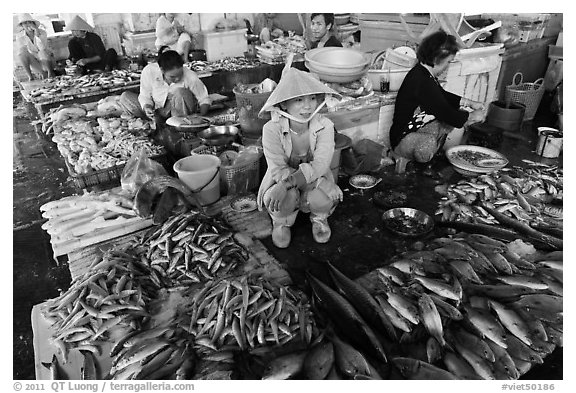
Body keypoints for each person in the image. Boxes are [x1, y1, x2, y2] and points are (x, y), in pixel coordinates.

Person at [257, 65, 343, 248]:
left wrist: (318, 182)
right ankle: (282, 222)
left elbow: (320, 165)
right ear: (283, 104)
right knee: (279, 198)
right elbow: (279, 170)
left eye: (312, 98)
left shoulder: (325, 125)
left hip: (313, 178)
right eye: (299, 100)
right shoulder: (271, 129)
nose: (308, 106)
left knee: (324, 198)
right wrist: (287, 185)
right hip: (281, 180)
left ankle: (319, 218)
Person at [389, 30, 484, 174]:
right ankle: (410, 160)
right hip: (402, 138)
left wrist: (469, 103)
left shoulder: (424, 73)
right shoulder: (421, 81)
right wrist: (471, 117)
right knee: (429, 144)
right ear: (436, 59)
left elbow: (442, 95)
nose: (448, 66)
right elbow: (446, 112)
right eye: (448, 62)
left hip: (415, 128)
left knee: (449, 122)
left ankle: (432, 152)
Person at [119, 47, 210, 122]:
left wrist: (201, 116)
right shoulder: (149, 71)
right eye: (172, 77)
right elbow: (144, 95)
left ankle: (179, 126)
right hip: (157, 110)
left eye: (180, 74)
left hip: (179, 111)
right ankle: (150, 123)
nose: (177, 79)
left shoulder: (190, 76)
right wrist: (147, 107)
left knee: (181, 92)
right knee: (125, 97)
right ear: (162, 70)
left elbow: (204, 99)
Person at [15, 13, 55, 80]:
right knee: (21, 54)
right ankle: (30, 76)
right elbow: (23, 51)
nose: (27, 24)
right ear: (22, 25)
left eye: (29, 22)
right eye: (25, 23)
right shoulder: (19, 36)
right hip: (34, 62)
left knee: (42, 52)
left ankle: (50, 73)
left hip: (47, 60)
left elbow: (42, 48)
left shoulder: (42, 32)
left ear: (33, 23)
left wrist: (36, 34)